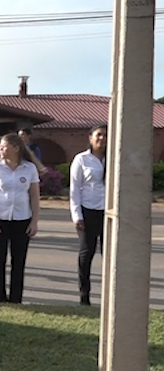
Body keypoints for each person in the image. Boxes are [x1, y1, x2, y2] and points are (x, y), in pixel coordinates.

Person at [0, 133, 40, 304]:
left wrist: (34, 220)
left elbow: (34, 196)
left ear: (16, 148)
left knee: (18, 260)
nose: (1, 150)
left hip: (22, 218)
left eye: (4, 146)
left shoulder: (29, 168)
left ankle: (16, 299)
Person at [69, 125, 106, 306]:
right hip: (87, 210)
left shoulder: (114, 158)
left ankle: (110, 294)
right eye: (98, 135)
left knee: (110, 254)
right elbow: (75, 189)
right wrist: (77, 215)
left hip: (108, 212)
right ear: (90, 138)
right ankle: (84, 295)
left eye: (105, 136)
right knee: (86, 254)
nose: (102, 139)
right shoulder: (82, 160)